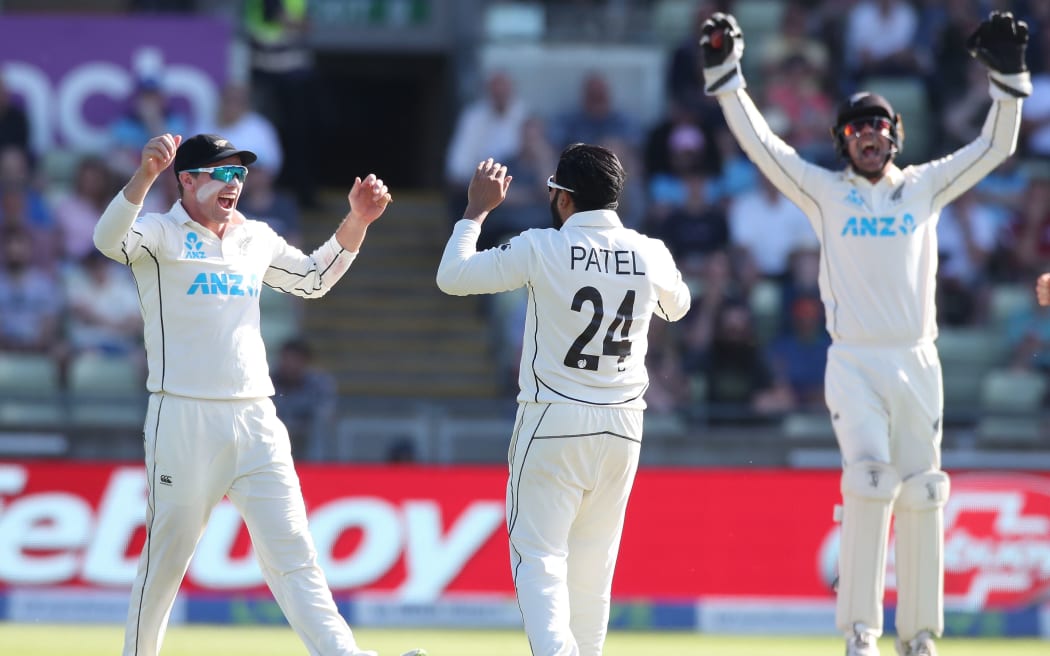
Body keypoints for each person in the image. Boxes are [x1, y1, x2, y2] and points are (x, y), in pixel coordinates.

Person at [699, 9, 1031, 656]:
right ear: (842, 140)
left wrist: (1008, 80)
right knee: (870, 481)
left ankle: (920, 635)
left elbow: (996, 147)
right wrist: (726, 76)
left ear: (895, 134)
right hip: (854, 362)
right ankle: (859, 631)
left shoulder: (924, 188)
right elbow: (763, 146)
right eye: (857, 129)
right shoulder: (825, 192)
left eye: (879, 126)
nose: (869, 136)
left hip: (917, 359)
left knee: (925, 490)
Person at [92, 132, 422, 656]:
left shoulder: (256, 237)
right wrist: (145, 173)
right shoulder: (159, 233)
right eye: (222, 173)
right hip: (183, 416)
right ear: (188, 180)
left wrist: (356, 221)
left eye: (241, 173)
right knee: (165, 560)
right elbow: (108, 240)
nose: (235, 182)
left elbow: (313, 279)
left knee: (294, 552)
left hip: (256, 417)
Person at [436, 145, 691, 656]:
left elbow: (453, 277)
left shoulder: (541, 247)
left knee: (539, 557)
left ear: (563, 198)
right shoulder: (650, 251)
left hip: (553, 418)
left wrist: (475, 212)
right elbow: (677, 306)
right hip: (622, 426)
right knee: (594, 568)